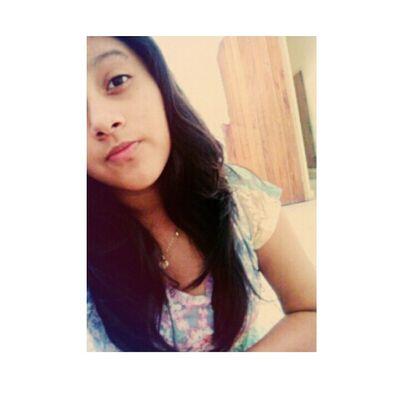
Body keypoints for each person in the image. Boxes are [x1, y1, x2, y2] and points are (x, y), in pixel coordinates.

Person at [87, 36, 316, 352]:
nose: (102, 121)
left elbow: (312, 311)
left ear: (159, 82)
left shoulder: (239, 197)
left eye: (117, 81)